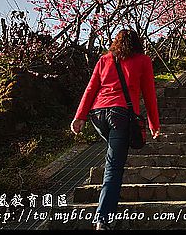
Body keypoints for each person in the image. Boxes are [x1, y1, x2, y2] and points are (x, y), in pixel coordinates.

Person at [70, 29, 160, 230]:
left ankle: (104, 213)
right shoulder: (143, 61)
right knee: (113, 167)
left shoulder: (104, 60)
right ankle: (103, 218)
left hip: (98, 114)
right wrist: (154, 124)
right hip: (120, 115)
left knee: (113, 154)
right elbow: (149, 94)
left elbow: (91, 88)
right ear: (138, 43)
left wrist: (80, 116)